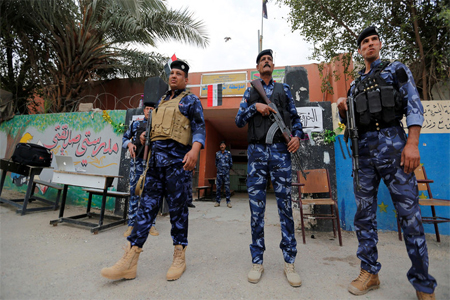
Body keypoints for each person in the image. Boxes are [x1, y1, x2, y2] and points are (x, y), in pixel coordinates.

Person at [337, 26, 437, 300]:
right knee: (364, 216)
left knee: (410, 217)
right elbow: (352, 125)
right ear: (359, 50)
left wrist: (412, 143)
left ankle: (422, 284)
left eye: (373, 40)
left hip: (395, 149)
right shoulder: (355, 85)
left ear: (379, 44)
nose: (369, 45)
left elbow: (414, 105)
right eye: (364, 42)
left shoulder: (396, 70)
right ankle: (370, 272)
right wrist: (343, 111)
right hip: (364, 157)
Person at [101, 60, 205, 282]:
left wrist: (195, 150)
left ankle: (179, 256)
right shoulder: (160, 101)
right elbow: (155, 130)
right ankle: (130, 260)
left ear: (186, 79)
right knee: (145, 210)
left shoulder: (191, 100)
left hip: (178, 166)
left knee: (178, 212)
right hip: (155, 166)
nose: (174, 76)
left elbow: (199, 127)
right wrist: (143, 137)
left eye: (179, 74)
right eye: (172, 73)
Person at [235, 49, 304, 287]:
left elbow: (296, 120)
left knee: (285, 208)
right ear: (257, 67)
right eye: (263, 60)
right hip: (256, 154)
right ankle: (257, 260)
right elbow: (238, 120)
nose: (267, 62)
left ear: (273, 66)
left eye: (270, 60)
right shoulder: (251, 90)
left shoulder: (284, 90)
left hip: (281, 153)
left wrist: (296, 137)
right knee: (257, 211)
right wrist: (255, 107)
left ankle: (289, 261)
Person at [121, 102, 158, 237]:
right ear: (144, 110)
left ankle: (151, 225)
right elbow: (124, 138)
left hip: (151, 165)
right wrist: (129, 144)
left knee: (151, 195)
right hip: (137, 164)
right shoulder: (136, 124)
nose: (149, 111)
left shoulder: (158, 126)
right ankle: (131, 224)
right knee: (134, 193)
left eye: (152, 109)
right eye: (147, 108)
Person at [214, 141, 233, 208]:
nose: (222, 146)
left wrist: (226, 169)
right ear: (220, 146)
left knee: (227, 188)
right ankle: (217, 202)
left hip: (226, 174)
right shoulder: (217, 153)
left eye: (223, 145)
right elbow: (216, 163)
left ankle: (228, 202)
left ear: (225, 146)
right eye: (221, 145)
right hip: (219, 173)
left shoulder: (228, 153)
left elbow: (231, 163)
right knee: (218, 188)